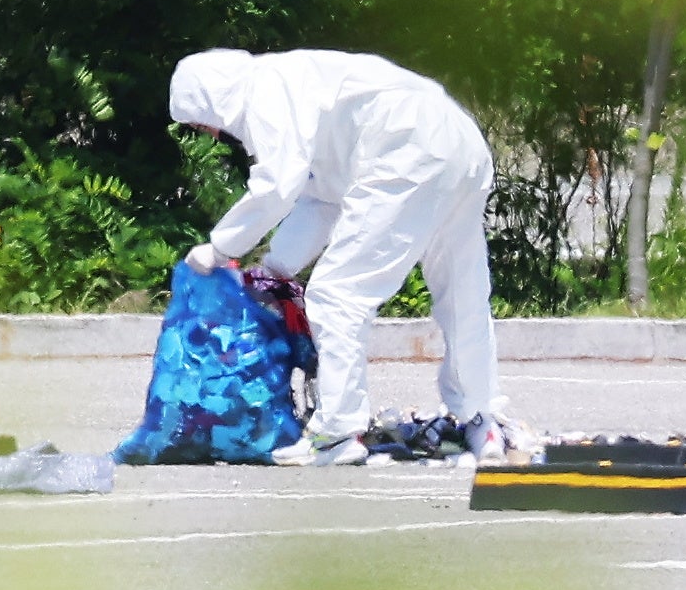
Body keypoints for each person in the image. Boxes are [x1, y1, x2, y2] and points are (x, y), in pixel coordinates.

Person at [168, 48, 505, 465]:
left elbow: (277, 186)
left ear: (211, 98)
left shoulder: (266, 93)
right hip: (459, 143)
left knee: (336, 295)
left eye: (201, 122)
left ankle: (337, 432)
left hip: (406, 148)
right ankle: (480, 417)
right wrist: (275, 269)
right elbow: (320, 200)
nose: (210, 132)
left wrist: (218, 249)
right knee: (462, 291)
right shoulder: (301, 83)